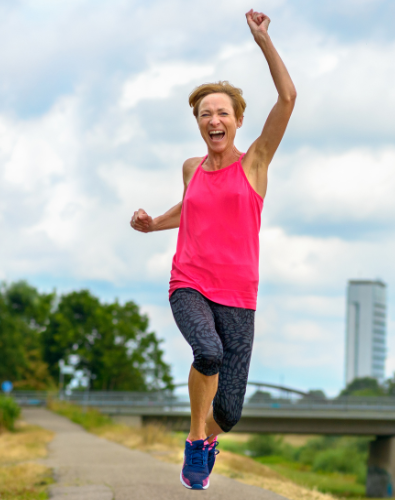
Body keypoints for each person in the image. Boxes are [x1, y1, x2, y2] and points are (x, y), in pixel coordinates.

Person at [129, 8, 296, 491]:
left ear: (239, 120)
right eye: (206, 114)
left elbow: (288, 97)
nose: (214, 119)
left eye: (222, 112)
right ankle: (196, 440)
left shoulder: (255, 164)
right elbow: (191, 209)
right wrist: (152, 223)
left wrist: (263, 41)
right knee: (208, 351)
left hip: (240, 295)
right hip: (191, 282)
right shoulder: (191, 167)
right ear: (199, 124)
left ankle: (209, 434)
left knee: (233, 410)